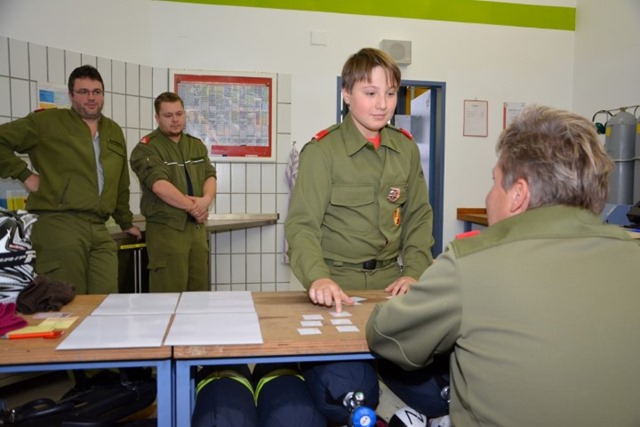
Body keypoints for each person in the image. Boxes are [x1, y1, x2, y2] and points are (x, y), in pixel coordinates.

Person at [367, 104, 640, 426]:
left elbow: (386, 335)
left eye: (494, 182)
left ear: (518, 195)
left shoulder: (471, 265)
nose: (489, 196)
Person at [284, 47, 437, 425]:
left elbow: (419, 217)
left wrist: (414, 271)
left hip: (391, 287)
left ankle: (405, 408)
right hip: (337, 287)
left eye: (391, 93)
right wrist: (318, 278)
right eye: (370, 93)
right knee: (348, 390)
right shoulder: (322, 152)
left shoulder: (405, 149)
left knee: (435, 389)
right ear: (347, 94)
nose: (382, 104)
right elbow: (302, 225)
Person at [0, 64, 141, 294]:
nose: (91, 97)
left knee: (106, 301)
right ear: (71, 95)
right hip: (59, 224)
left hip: (99, 226)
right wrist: (24, 175)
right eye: (83, 92)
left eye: (97, 92)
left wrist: (125, 222)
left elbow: (120, 181)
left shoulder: (113, 130)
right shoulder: (47, 122)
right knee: (67, 301)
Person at [130, 92, 217, 293]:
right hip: (167, 231)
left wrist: (206, 199)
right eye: (168, 115)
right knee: (168, 297)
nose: (175, 120)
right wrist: (195, 208)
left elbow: (210, 176)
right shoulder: (147, 148)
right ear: (157, 118)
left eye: (179, 114)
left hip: (196, 230)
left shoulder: (195, 145)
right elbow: (159, 186)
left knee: (198, 295)